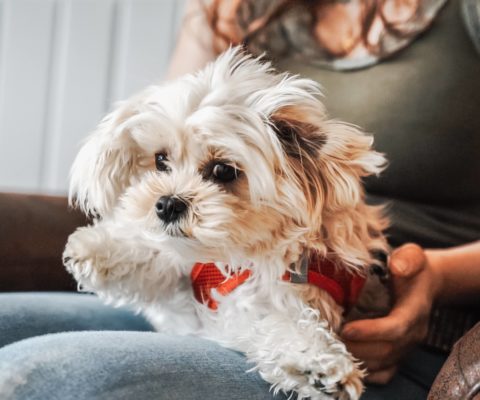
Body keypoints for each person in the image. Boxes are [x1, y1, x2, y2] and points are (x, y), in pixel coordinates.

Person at [0, 1, 479, 399]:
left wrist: (433, 277)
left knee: (42, 378)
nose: (172, 192)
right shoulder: (232, 5)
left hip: (377, 329)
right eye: (165, 165)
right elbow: (172, 114)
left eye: (222, 172)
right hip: (187, 292)